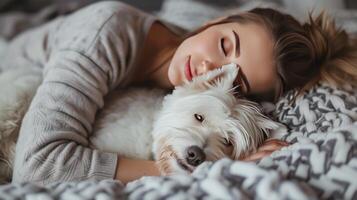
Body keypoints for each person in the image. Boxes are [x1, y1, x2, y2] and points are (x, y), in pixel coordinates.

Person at [5, 1, 356, 185]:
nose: (208, 69)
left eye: (234, 80)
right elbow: (37, 167)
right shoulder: (103, 36)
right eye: (223, 44)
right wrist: (179, 171)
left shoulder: (199, 90)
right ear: (213, 22)